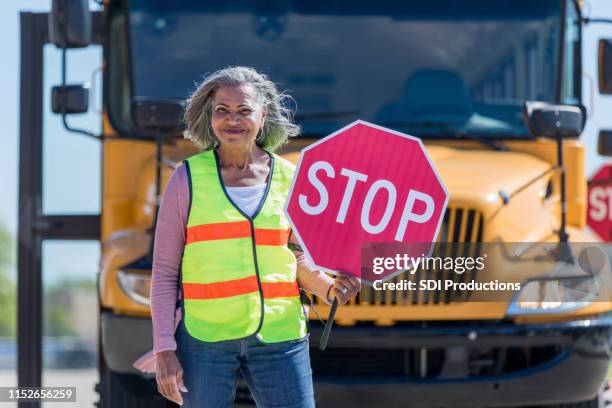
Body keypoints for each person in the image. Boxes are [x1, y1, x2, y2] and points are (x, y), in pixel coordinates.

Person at [139, 66, 360, 407]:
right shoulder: (186, 179)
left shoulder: (292, 178)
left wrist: (329, 288)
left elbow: (296, 259)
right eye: (222, 111)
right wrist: (165, 349)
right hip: (205, 340)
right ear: (209, 117)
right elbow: (166, 272)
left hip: (281, 337)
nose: (233, 120)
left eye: (244, 110)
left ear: (263, 115)